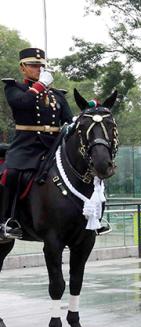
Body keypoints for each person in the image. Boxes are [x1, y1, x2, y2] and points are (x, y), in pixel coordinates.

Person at [1, 48, 75, 240]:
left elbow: (68, 119)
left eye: (41, 66)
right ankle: (6, 220)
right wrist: (41, 85)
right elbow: (23, 103)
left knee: (87, 168)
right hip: (27, 146)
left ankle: (91, 218)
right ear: (22, 68)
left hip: (54, 147)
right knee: (11, 174)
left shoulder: (57, 95)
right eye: (34, 65)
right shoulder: (13, 88)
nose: (39, 69)